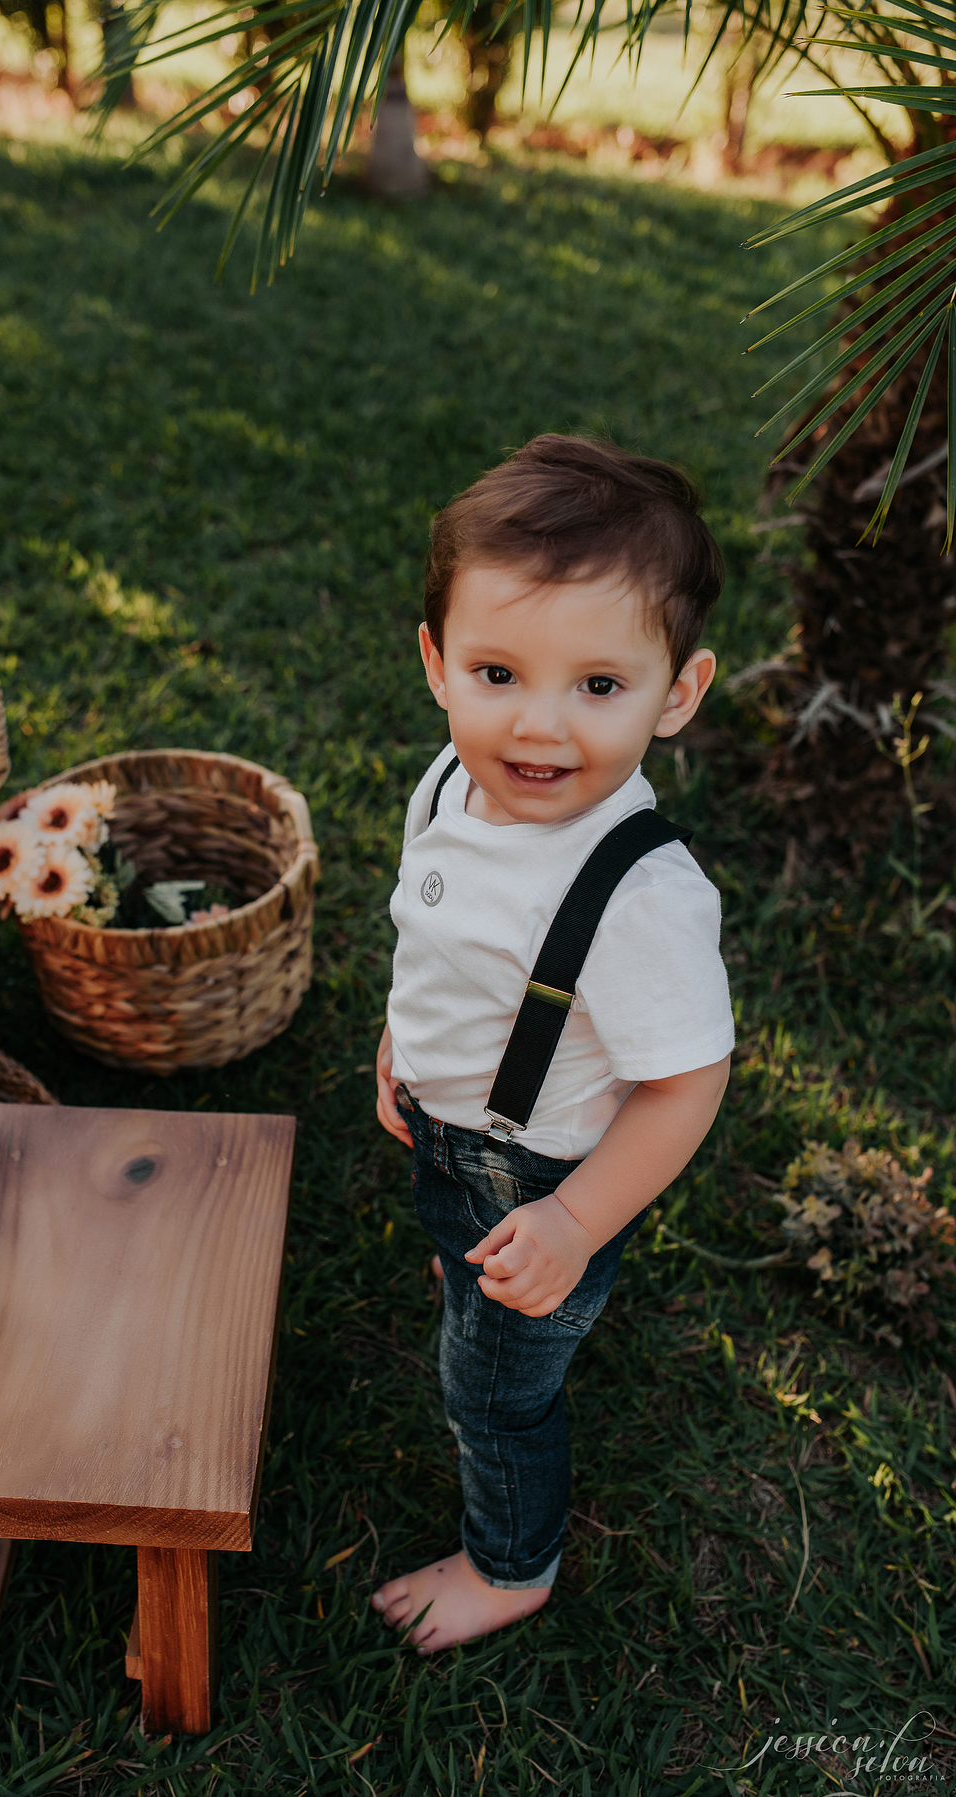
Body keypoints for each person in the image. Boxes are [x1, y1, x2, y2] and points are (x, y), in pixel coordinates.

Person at [371, 434, 734, 1653]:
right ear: (437, 664)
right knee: (466, 1258)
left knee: (494, 1395)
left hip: (541, 1173)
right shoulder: (449, 783)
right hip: (449, 1131)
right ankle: (474, 1264)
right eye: (497, 672)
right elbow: (439, 939)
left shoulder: (636, 898)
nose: (539, 726)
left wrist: (574, 1225)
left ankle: (511, 1566)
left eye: (599, 686)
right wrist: (401, 1040)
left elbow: (687, 1081)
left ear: (677, 692)